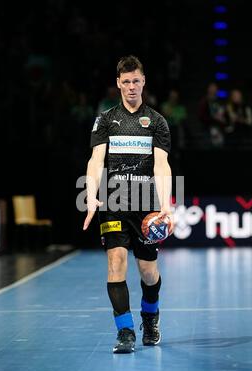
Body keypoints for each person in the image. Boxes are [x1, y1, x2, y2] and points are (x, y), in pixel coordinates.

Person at [83, 55, 173, 353]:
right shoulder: (106, 120)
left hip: (146, 205)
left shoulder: (157, 121)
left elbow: (161, 165)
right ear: (118, 84)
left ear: (143, 81)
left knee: (148, 272)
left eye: (136, 81)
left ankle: (150, 318)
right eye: (126, 82)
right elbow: (96, 161)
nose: (131, 87)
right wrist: (92, 193)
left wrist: (167, 206)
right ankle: (125, 332)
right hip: (114, 202)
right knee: (116, 262)